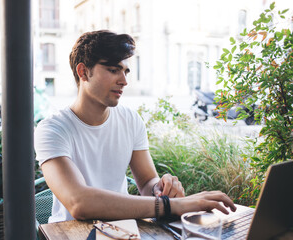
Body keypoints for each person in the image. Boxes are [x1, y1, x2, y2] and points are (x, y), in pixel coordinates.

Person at [34, 30, 236, 223]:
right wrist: (172, 205)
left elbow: (147, 183)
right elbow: (79, 203)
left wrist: (161, 189)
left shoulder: (130, 120)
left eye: (125, 71)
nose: (124, 81)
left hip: (123, 230)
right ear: (83, 72)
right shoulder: (52, 129)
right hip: (69, 234)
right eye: (113, 70)